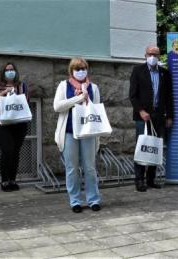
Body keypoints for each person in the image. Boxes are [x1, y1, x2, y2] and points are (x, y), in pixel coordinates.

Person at [53, 57, 102, 213]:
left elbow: (97, 109)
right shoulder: (63, 85)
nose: (81, 72)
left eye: (83, 68)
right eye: (77, 69)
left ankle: (93, 199)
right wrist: (78, 98)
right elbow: (57, 106)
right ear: (71, 71)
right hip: (69, 132)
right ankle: (75, 201)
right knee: (72, 168)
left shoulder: (93, 88)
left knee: (89, 167)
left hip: (88, 132)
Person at [128, 44, 174, 192]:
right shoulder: (137, 71)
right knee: (142, 146)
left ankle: (151, 179)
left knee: (154, 147)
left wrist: (169, 116)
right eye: (150, 54)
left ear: (159, 56)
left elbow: (169, 97)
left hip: (159, 116)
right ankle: (139, 180)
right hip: (143, 117)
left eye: (155, 54)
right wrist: (141, 111)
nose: (152, 57)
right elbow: (132, 95)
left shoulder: (164, 73)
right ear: (145, 55)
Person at [0, 62, 30, 192]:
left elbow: (25, 102)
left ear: (16, 72)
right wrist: (5, 92)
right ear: (3, 72)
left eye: (12, 69)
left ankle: (13, 179)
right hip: (2, 124)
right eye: (7, 70)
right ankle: (4, 180)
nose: (10, 71)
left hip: (19, 123)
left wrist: (15, 94)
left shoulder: (22, 86)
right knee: (7, 150)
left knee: (16, 151)